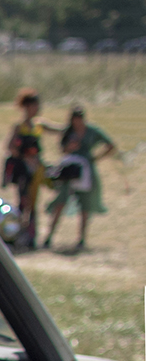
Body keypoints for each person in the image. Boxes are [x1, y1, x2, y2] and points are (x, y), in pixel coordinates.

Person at [43, 106, 118, 253]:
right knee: (61, 201)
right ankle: (49, 237)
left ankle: (82, 239)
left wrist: (96, 158)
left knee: (85, 205)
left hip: (85, 170)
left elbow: (110, 145)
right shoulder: (68, 131)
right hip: (69, 169)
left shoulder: (92, 131)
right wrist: (70, 147)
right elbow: (62, 149)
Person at [4, 89, 55, 250]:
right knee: (22, 203)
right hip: (23, 170)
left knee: (33, 204)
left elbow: (59, 129)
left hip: (36, 171)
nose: (37, 108)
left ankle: (31, 237)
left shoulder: (39, 125)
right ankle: (17, 235)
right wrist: (25, 157)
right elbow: (10, 147)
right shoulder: (19, 127)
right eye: (34, 105)